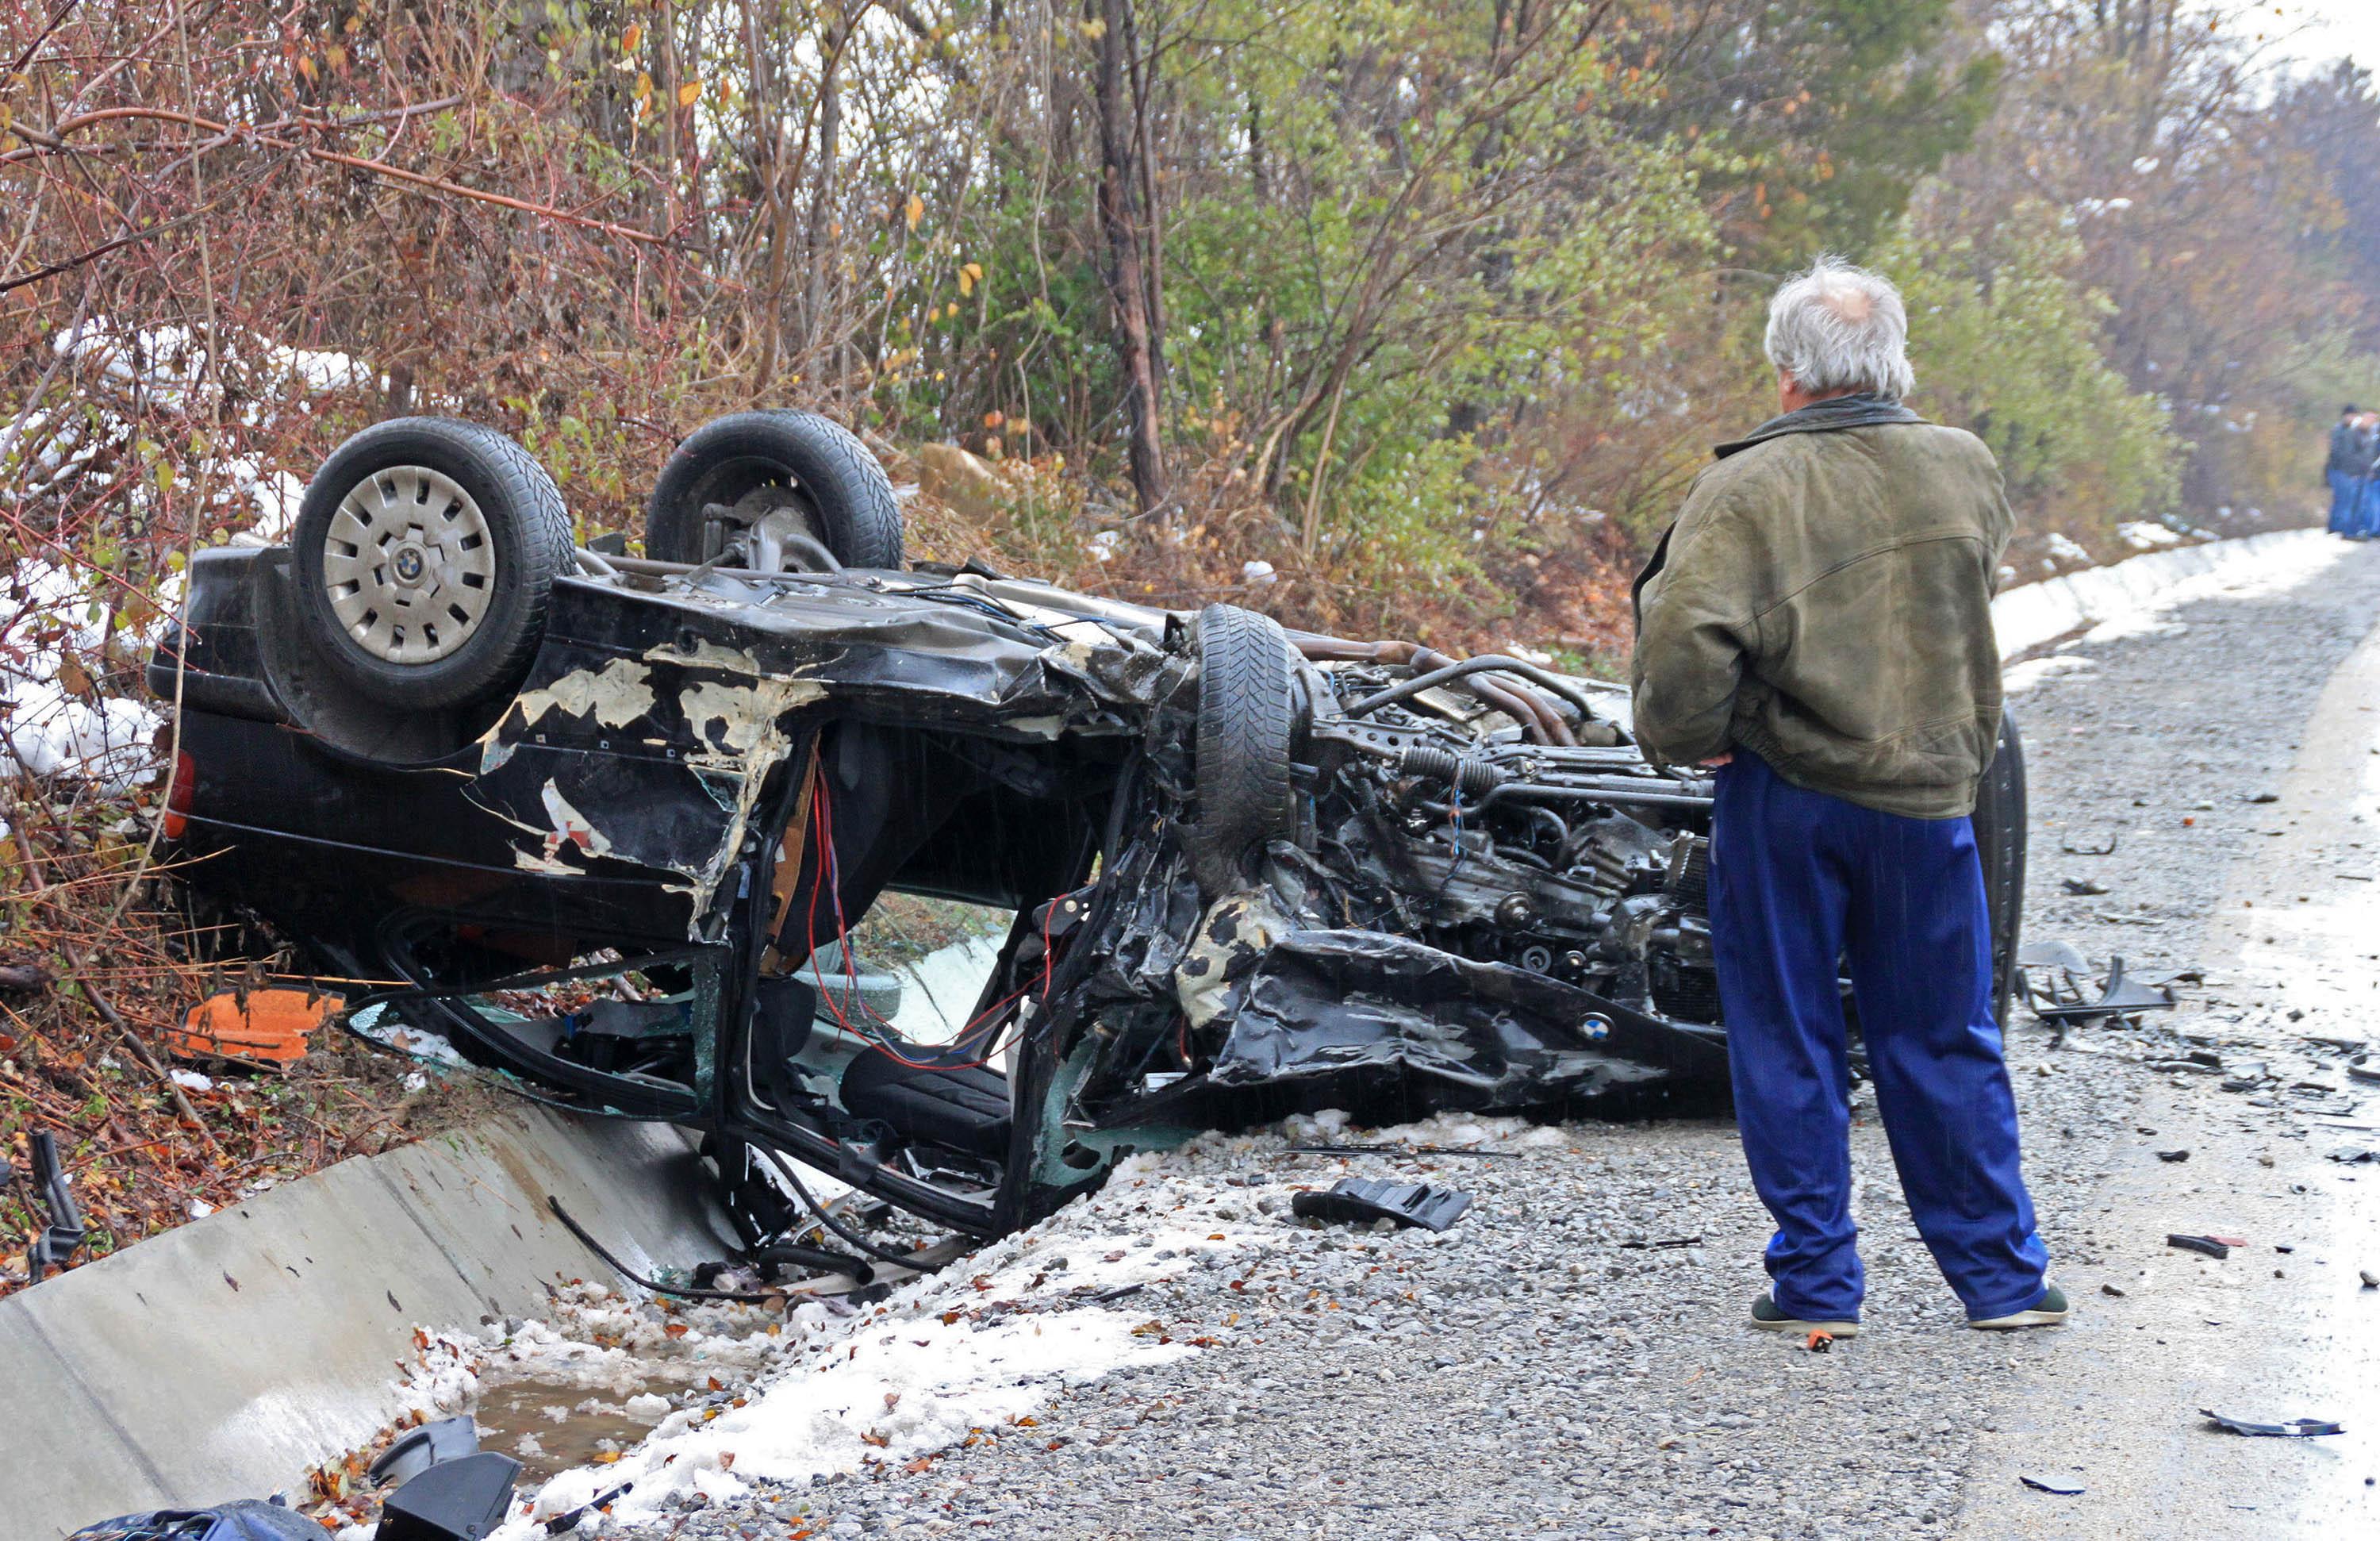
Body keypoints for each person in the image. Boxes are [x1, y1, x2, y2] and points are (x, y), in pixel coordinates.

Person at [1629, 259, 2063, 1337]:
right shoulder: (1964, 468)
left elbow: (1683, 645)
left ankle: (1820, 1286)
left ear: (1789, 374)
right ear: (1895, 363)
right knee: (1942, 1030)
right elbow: (1968, 594)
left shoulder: (1743, 490)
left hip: (1789, 797)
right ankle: (2003, 1280)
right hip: (1927, 798)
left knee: (1790, 1034)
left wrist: (1695, 741)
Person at [2329, 405, 2366, 536]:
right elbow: (2341, 453)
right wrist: (2350, 471)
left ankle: (2339, 528)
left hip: (2345, 470)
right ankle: (2342, 530)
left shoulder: (2352, 430)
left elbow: (2358, 450)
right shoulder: (2340, 430)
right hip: (2339, 470)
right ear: (2346, 415)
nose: (2354, 418)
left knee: (2344, 500)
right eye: (2352, 415)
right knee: (2344, 501)